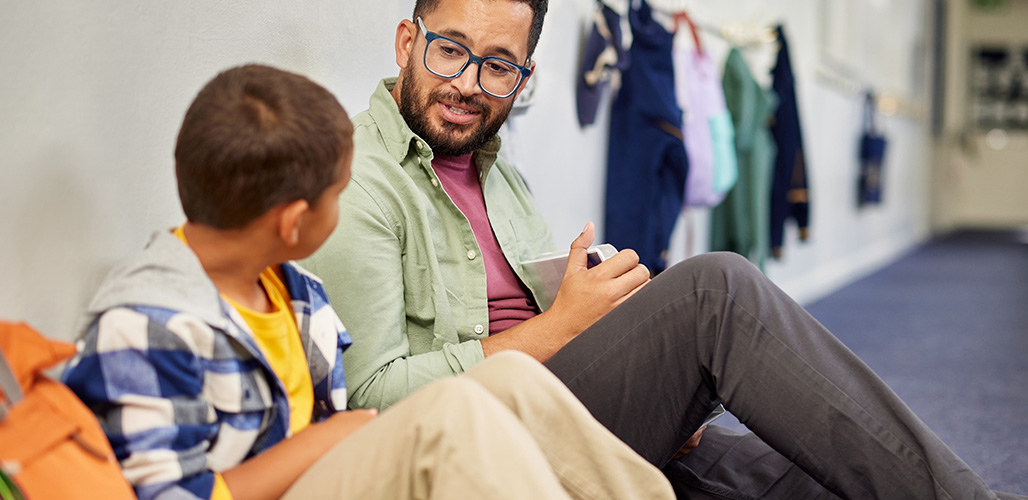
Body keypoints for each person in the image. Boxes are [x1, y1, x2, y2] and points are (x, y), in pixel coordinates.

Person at [301, 0, 1028, 499]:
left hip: (563, 408)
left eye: (498, 66)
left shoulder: (495, 164)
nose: (468, 84)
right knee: (716, 291)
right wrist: (561, 328)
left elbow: (522, 312)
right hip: (484, 437)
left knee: (830, 472)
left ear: (523, 76)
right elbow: (368, 402)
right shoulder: (354, 178)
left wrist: (633, 346)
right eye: (451, 50)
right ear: (407, 42)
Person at [60, 63, 675, 500]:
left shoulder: (295, 295)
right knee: (452, 415)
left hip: (330, 471)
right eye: (338, 194)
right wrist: (330, 441)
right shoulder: (145, 325)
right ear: (296, 222)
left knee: (509, 375)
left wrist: (340, 438)